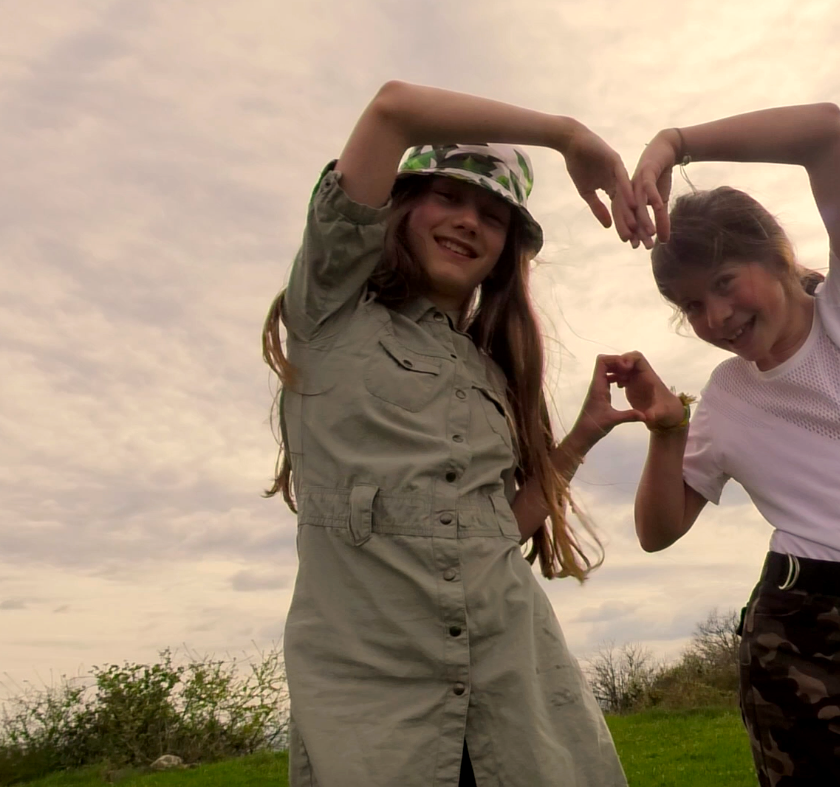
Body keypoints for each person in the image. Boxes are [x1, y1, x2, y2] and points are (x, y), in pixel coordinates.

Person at [261, 79, 641, 787]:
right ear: (402, 206)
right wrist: (566, 135)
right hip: (377, 713)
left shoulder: (488, 370)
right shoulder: (332, 308)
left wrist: (584, 434)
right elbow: (392, 109)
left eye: (493, 217)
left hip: (514, 688)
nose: (469, 222)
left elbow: (495, 531)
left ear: (505, 251)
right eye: (448, 196)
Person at [609, 104, 840, 786]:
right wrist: (667, 430)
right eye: (692, 305)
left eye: (724, 282)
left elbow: (827, 133)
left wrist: (675, 143)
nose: (716, 316)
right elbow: (657, 531)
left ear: (776, 253)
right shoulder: (726, 396)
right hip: (801, 641)